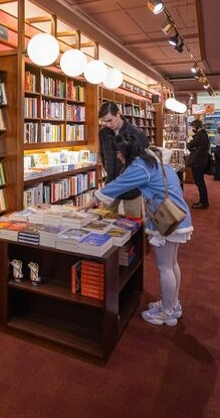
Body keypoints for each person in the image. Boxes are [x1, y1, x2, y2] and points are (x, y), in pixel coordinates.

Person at [86, 132, 192, 326]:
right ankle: (172, 304)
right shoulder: (153, 158)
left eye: (119, 152)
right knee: (172, 263)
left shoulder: (140, 167)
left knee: (164, 267)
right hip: (177, 215)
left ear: (126, 150)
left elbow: (118, 185)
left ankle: (167, 313)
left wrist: (94, 199)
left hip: (167, 220)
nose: (118, 156)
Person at [98, 101, 148, 218]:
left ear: (118, 114)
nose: (108, 124)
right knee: (104, 218)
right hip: (111, 182)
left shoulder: (136, 133)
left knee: (134, 223)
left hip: (132, 185)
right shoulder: (103, 133)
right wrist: (109, 171)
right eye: (104, 122)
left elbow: (145, 159)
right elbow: (103, 154)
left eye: (110, 120)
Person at [187, 119, 210, 208]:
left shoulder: (200, 135)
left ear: (197, 126)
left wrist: (191, 137)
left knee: (199, 182)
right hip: (201, 160)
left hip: (198, 161)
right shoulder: (204, 134)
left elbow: (189, 145)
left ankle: (203, 202)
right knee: (200, 181)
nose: (192, 129)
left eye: (193, 127)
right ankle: (203, 200)